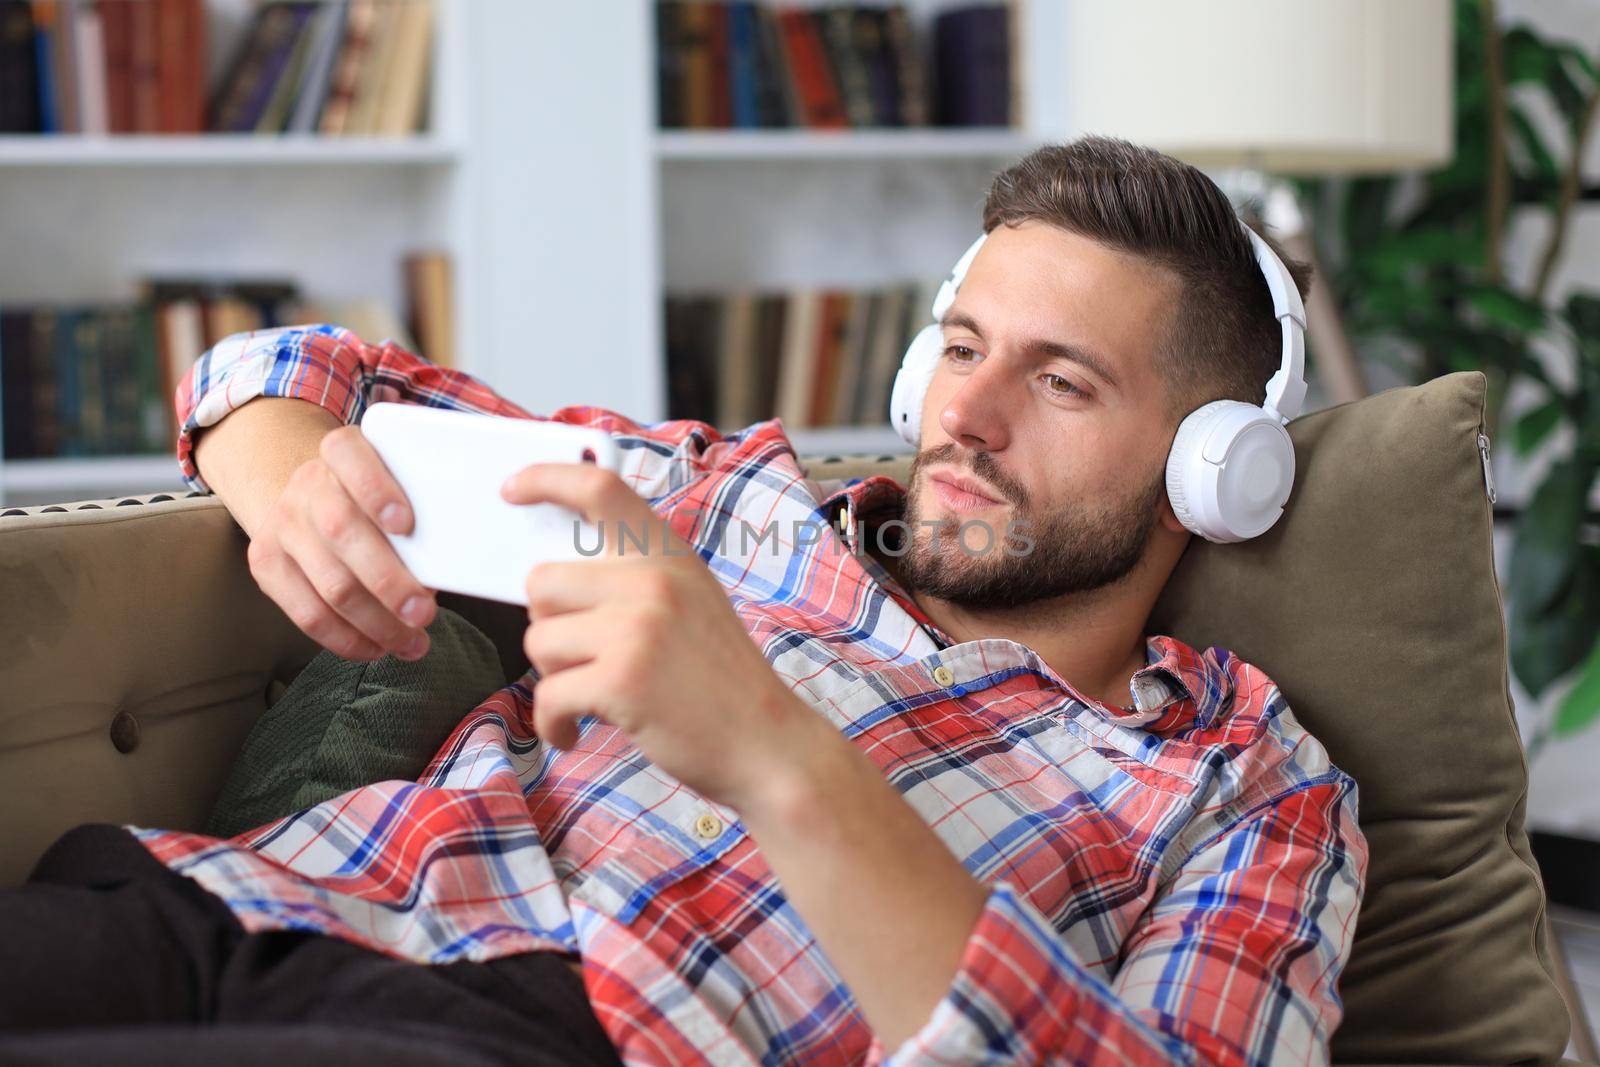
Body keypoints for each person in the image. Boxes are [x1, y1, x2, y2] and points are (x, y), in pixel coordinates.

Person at [0, 137, 1366, 1066]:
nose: (965, 416)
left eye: (1062, 383)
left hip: (546, 1035)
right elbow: (283, 369)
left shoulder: (1244, 790)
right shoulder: (724, 502)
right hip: (241, 904)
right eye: (959, 348)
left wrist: (776, 754)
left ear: (1214, 467)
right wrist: (302, 487)